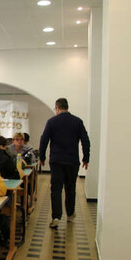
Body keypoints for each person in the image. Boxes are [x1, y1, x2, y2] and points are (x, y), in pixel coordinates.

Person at [39, 98, 90, 229]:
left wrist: (42, 157)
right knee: (70, 188)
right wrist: (86, 158)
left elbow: (44, 140)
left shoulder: (51, 122)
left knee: (56, 189)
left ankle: (56, 217)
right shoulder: (77, 122)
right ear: (67, 107)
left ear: (57, 108)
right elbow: (85, 140)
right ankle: (70, 214)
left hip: (56, 161)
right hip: (72, 161)